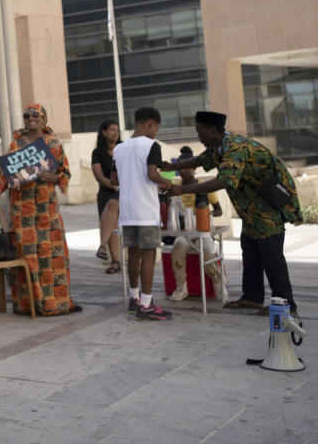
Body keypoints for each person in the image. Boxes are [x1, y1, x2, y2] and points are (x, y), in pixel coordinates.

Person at [168, 111, 302, 316]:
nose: (199, 137)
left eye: (200, 132)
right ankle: (253, 297)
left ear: (213, 130)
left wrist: (183, 189)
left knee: (271, 256)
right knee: (250, 249)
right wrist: (169, 167)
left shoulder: (235, 147)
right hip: (251, 209)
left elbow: (224, 180)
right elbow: (198, 161)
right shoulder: (218, 146)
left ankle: (285, 303)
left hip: (267, 207)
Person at [0, 104, 80, 316]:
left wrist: (54, 177)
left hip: (46, 208)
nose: (31, 118)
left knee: (53, 254)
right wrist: (10, 181)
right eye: (27, 115)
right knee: (27, 255)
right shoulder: (16, 145)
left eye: (36, 115)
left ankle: (57, 303)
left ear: (44, 119)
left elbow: (65, 173)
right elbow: (4, 175)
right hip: (22, 209)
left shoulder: (53, 144)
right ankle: (29, 304)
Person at [112, 107, 173, 321]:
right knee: (149, 254)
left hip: (127, 211)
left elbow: (114, 181)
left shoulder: (119, 149)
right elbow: (151, 174)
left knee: (133, 254)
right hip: (146, 210)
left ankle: (134, 299)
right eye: (156, 127)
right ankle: (147, 304)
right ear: (149, 123)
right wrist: (166, 182)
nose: (155, 131)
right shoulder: (151, 145)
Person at [168, 146, 227, 302]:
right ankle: (182, 287)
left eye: (186, 167)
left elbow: (219, 210)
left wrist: (203, 215)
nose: (182, 171)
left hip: (203, 230)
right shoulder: (176, 188)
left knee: (208, 253)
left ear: (194, 168)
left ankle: (219, 282)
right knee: (177, 249)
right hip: (185, 233)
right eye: (180, 167)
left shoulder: (205, 187)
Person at [92, 120, 122, 274]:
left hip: (123, 189)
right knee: (112, 225)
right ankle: (116, 261)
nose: (115, 133)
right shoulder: (97, 152)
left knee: (112, 205)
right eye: (112, 130)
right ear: (103, 132)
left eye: (117, 130)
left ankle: (102, 246)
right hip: (106, 190)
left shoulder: (123, 148)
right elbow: (99, 176)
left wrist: (119, 186)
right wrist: (112, 185)